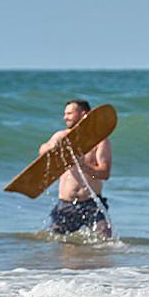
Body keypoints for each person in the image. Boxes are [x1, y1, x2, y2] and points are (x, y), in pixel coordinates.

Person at [39, 99, 113, 237]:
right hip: (65, 204)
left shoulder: (100, 141)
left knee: (105, 240)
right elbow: (42, 150)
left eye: (69, 113)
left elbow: (104, 173)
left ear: (84, 114)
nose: (65, 117)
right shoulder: (60, 136)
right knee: (57, 243)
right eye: (65, 114)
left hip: (92, 204)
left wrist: (82, 165)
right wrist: (49, 148)